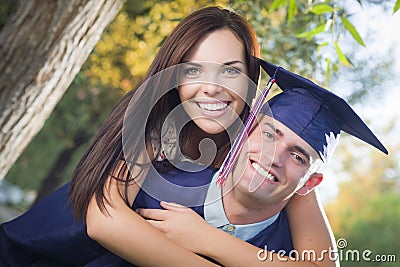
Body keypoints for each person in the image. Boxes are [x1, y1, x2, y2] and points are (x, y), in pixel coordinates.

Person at [0, 7, 336, 267]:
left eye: (231, 71)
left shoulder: (269, 144)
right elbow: (104, 220)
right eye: (194, 69)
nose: (212, 87)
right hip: (45, 251)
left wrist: (206, 239)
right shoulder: (153, 120)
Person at [136, 58, 388, 266]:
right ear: (243, 133)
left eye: (297, 156)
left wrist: (206, 239)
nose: (273, 157)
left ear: (310, 183)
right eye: (269, 135)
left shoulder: (292, 253)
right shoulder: (155, 188)